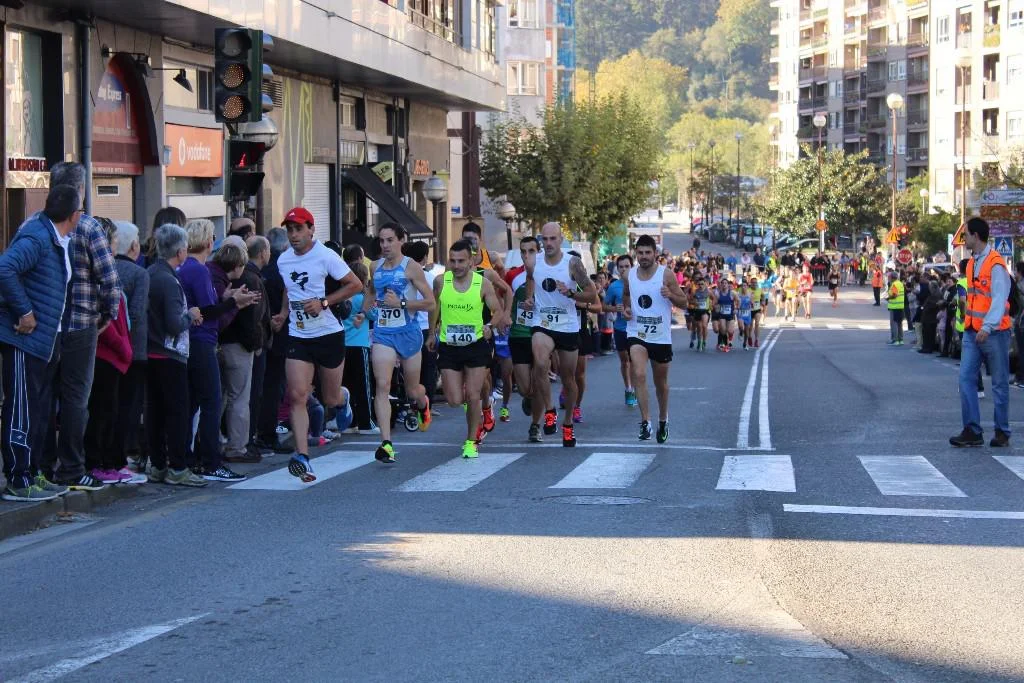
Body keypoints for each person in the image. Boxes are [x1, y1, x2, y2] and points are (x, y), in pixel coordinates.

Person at [42, 163, 122, 492]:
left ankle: (42, 466)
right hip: (82, 325)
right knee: (76, 398)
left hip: (46, 326)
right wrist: (105, 316)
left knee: (44, 396)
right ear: (81, 190)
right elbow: (110, 281)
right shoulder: (89, 228)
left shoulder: (35, 225)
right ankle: (72, 468)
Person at [0, 185, 83, 500]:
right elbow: (5, 268)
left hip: (47, 341)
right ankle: (18, 480)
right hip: (24, 339)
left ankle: (33, 472)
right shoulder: (37, 236)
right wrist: (24, 311)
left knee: (39, 410)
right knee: (22, 408)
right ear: (74, 215)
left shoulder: (58, 239)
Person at [275, 208, 362, 480]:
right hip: (299, 335)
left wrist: (324, 302)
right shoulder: (283, 260)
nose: (294, 235)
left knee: (330, 399)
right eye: (290, 230)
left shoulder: (326, 256)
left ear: (311, 230)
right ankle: (302, 456)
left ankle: (343, 399)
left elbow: (355, 284)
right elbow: (289, 288)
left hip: (328, 334)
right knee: (297, 395)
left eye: (299, 229)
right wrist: (283, 314)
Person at [178, 220, 256, 482]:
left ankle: (189, 457)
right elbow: (208, 310)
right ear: (208, 241)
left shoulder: (186, 268)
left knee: (192, 403)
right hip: (202, 339)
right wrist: (234, 302)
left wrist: (225, 300)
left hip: (191, 340)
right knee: (211, 401)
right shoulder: (198, 270)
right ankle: (211, 462)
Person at [357, 223, 436, 463]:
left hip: (408, 333)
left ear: (401, 240)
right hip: (384, 333)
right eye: (382, 241)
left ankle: (422, 403)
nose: (385, 245)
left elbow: (430, 303)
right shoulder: (375, 266)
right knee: (382, 385)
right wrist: (363, 312)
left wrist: (401, 304)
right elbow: (372, 292)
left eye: (390, 240)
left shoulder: (411, 267)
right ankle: (386, 444)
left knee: (413, 391)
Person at [427, 239, 508, 458]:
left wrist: (490, 326)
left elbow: (497, 310)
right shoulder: (441, 281)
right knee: (454, 400)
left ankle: (471, 441)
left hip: (476, 346)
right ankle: (476, 412)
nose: (456, 265)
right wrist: (432, 333)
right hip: (450, 346)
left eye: (461, 261)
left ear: (471, 261)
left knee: (473, 395)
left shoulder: (482, 283)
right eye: (452, 261)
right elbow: (435, 308)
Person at [524, 222, 597, 447]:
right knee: (539, 362)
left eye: (552, 239)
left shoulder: (572, 263)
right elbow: (530, 279)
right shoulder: (533, 261)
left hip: (567, 325)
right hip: (542, 322)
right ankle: (549, 410)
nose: (548, 243)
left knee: (568, 379)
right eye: (544, 239)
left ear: (561, 240)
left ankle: (567, 424)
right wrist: (530, 298)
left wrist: (571, 293)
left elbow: (591, 294)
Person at [144, 224, 206, 486]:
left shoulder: (150, 273)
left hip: (150, 352)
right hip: (170, 354)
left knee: (155, 412)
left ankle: (158, 464)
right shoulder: (169, 281)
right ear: (180, 251)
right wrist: (190, 316)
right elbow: (173, 323)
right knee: (178, 413)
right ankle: (178, 467)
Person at [951, 217, 1013, 447]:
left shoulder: (996, 264)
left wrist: (987, 326)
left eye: (965, 234)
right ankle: (972, 430)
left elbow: (999, 298)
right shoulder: (971, 263)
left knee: (999, 383)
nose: (964, 239)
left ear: (976, 236)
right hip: (971, 331)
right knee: (966, 379)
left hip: (994, 332)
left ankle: (1002, 432)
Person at [622, 235, 687, 442]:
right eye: (640, 253)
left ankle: (663, 419)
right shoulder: (629, 275)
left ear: (655, 254)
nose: (644, 256)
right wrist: (626, 309)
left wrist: (671, 295)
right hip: (637, 332)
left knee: (661, 384)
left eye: (647, 252)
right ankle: (645, 422)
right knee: (639, 374)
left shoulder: (665, 274)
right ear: (636, 254)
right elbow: (626, 295)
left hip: (660, 337)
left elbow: (684, 302)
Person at [219, 236, 270, 464]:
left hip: (217, 343)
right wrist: (256, 344)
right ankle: (237, 446)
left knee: (219, 398)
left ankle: (213, 442)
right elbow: (254, 318)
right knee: (239, 398)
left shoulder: (217, 275)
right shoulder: (250, 278)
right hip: (240, 346)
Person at [111, 221, 150, 476]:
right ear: (134, 246)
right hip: (133, 349)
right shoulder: (139, 274)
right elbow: (136, 313)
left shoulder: (108, 267)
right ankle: (122, 456)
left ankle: (110, 455)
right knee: (130, 405)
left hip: (107, 345)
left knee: (109, 403)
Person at [253, 227, 292, 453]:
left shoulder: (260, 269)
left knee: (258, 385)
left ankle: (257, 432)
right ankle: (268, 433)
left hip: (259, 332)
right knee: (274, 385)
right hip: (279, 332)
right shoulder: (285, 267)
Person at [341, 262, 379, 434]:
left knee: (347, 386)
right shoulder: (362, 299)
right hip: (359, 345)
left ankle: (350, 422)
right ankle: (366, 423)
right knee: (363, 386)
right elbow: (374, 315)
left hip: (343, 345)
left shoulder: (343, 298)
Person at [604, 255, 636, 404]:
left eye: (627, 266)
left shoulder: (639, 284)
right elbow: (604, 306)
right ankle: (628, 388)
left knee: (635, 361)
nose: (624, 269)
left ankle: (635, 389)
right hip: (620, 329)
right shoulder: (614, 286)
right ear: (617, 269)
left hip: (636, 329)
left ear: (632, 267)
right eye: (621, 267)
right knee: (625, 361)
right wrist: (614, 308)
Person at [886, 270, 905, 346]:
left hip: (894, 307)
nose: (888, 278)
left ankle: (895, 340)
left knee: (894, 324)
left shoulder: (894, 284)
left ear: (892, 277)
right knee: (899, 323)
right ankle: (901, 339)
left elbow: (895, 295)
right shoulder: (900, 283)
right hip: (900, 306)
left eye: (889, 277)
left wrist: (888, 298)